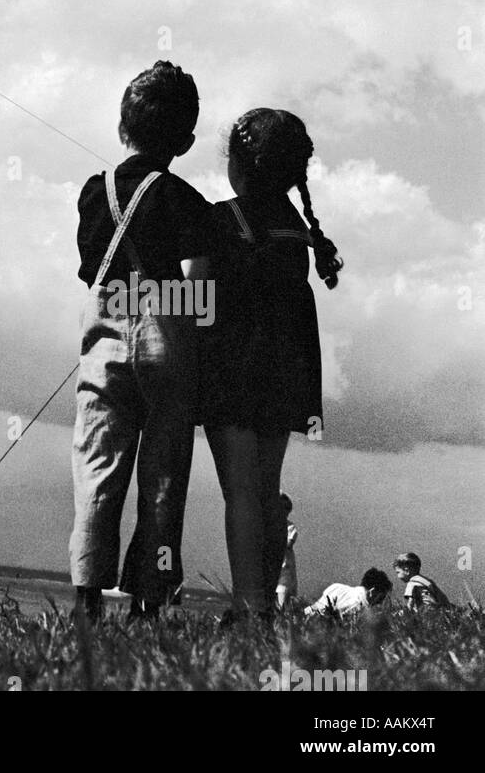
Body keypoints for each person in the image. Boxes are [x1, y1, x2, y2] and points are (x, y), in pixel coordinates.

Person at [71, 61, 212, 621]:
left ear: (122, 126)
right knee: (164, 471)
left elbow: (92, 274)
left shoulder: (92, 192)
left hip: (105, 332)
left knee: (96, 462)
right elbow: (200, 280)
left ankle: (86, 597)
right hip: (167, 333)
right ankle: (148, 604)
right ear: (186, 140)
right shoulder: (186, 198)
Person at [199, 109, 343, 621]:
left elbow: (199, 301)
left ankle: (251, 606)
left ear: (238, 164)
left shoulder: (219, 219)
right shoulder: (298, 232)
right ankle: (258, 604)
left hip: (232, 374)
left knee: (240, 494)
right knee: (263, 491)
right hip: (286, 373)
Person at [305, 568, 391, 620]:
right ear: (372, 591)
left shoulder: (337, 587)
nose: (381, 602)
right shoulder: (359, 608)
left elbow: (314, 607)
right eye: (381, 597)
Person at [275, 492, 298, 609]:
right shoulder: (270, 526)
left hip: (284, 567)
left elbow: (288, 543)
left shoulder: (290, 527)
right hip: (272, 565)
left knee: (282, 592)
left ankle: (282, 615)